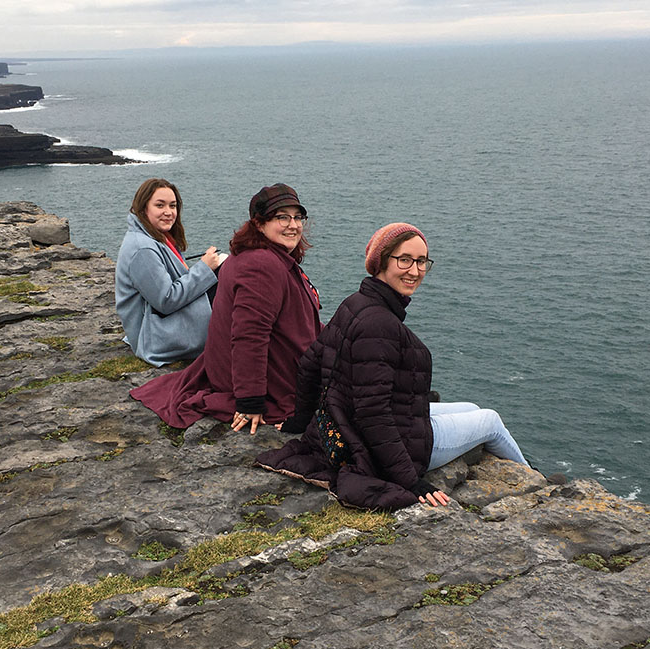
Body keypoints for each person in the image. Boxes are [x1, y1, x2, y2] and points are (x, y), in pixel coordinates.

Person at [256, 222, 529, 511]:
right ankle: (536, 484)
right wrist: (410, 481)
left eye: (422, 261)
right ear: (382, 262)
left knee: (472, 409)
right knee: (491, 421)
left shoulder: (356, 302)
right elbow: (373, 413)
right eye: (405, 260)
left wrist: (301, 422)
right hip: (387, 447)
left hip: (345, 426)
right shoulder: (379, 324)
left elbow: (310, 363)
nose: (415, 270)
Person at [130, 184, 322, 432]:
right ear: (259, 223)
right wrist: (251, 400)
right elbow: (250, 335)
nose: (293, 225)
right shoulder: (262, 266)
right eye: (281, 217)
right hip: (277, 379)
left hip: (272, 363)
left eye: (297, 217)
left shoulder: (258, 256)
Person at [115, 178, 222, 366]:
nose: (168, 212)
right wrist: (204, 269)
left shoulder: (155, 238)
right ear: (143, 208)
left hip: (160, 324)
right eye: (160, 205)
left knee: (229, 271)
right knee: (234, 285)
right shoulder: (142, 249)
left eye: (173, 206)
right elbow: (166, 300)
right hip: (155, 337)